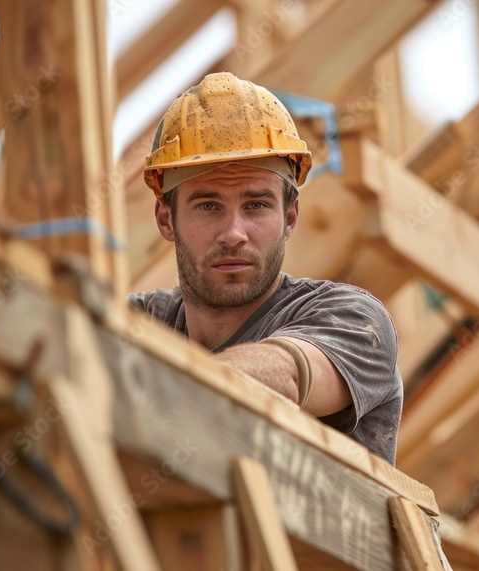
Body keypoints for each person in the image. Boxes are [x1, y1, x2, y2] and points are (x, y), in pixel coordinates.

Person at [128, 72, 402, 465]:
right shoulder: (142, 322)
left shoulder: (354, 319)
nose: (234, 233)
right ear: (166, 220)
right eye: (208, 206)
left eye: (256, 205)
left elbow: (286, 376)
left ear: (290, 217)